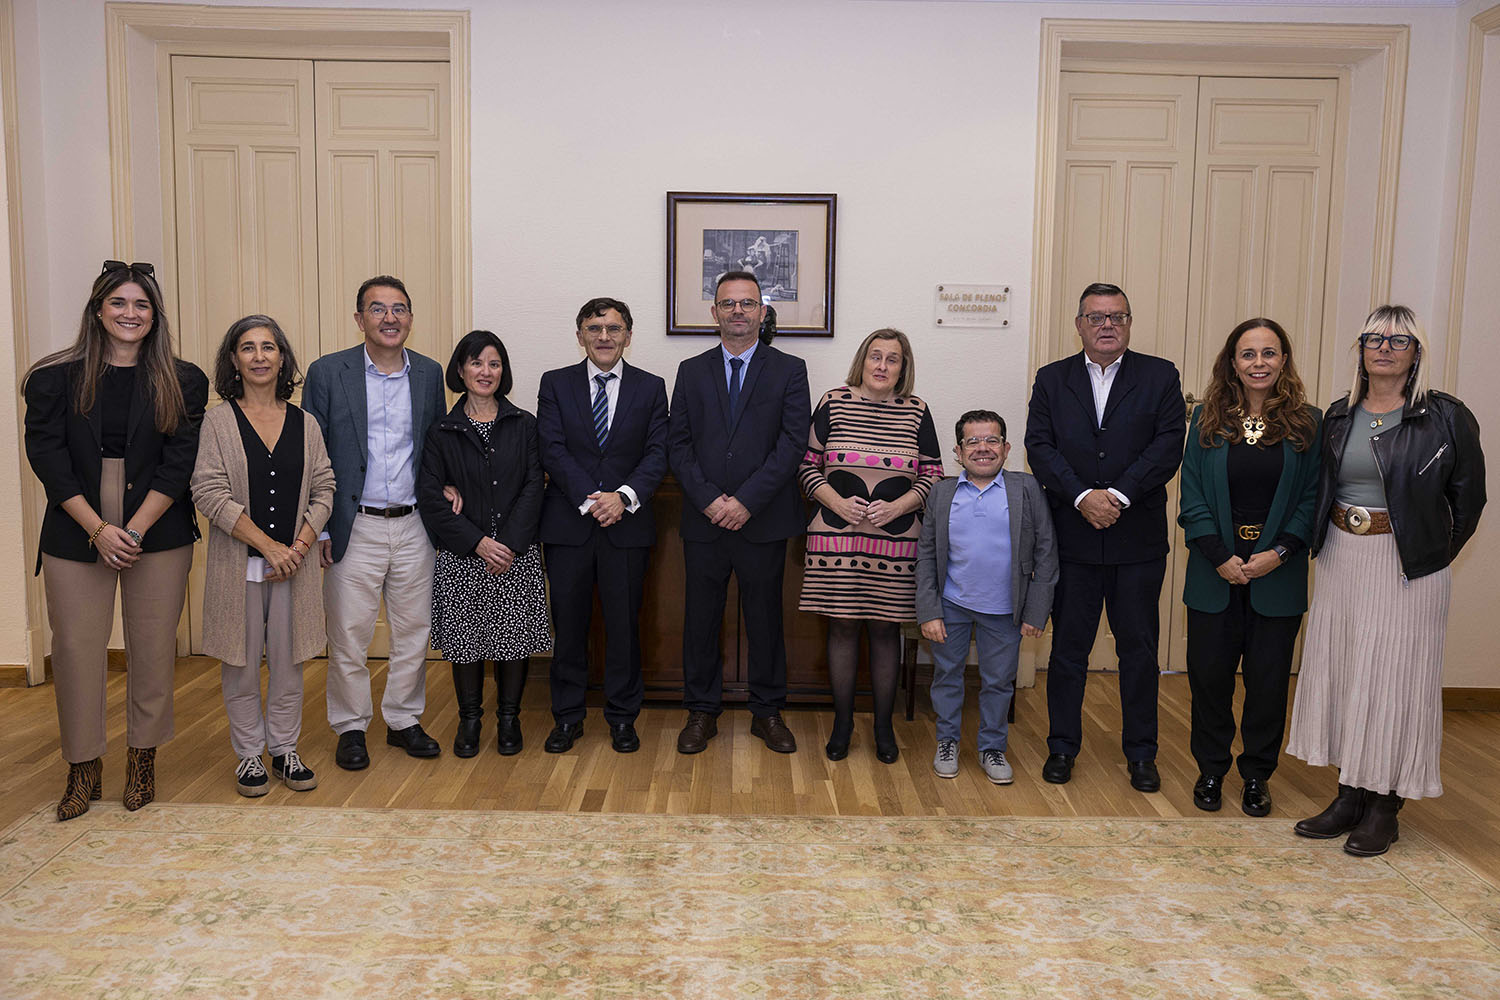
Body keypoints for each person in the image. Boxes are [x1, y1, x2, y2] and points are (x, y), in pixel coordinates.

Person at [1287, 305, 1485, 857]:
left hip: (1406, 567)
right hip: (1341, 559)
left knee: (1394, 680)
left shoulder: (1444, 417)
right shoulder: (1339, 416)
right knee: (1350, 670)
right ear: (1361, 350)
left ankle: (1384, 806)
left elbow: (1469, 501)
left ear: (1416, 352)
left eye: (1399, 340)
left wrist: (1427, 556)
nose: (1384, 348)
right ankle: (1349, 795)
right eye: (1373, 338)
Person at [22, 260, 208, 819]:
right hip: (77, 520)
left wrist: (133, 529)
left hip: (157, 520)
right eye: (120, 303)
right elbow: (47, 459)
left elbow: (180, 464)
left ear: (155, 317)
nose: (131, 314)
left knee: (152, 649)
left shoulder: (184, 379)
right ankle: (83, 770)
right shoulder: (52, 378)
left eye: (142, 305)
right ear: (98, 310)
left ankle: (141, 762)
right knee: (77, 650)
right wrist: (98, 529)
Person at [1023, 281, 1185, 791]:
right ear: (1079, 325)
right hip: (1072, 538)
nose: (1107, 324)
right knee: (1068, 650)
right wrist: (1081, 498)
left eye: (1117, 316)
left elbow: (1166, 446)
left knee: (1138, 649)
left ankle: (1141, 753)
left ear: (1130, 323)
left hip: (1135, 540)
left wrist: (1116, 495)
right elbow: (1039, 446)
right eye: (1096, 317)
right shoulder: (1052, 380)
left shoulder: (1160, 376)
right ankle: (1062, 748)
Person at [302, 275, 447, 769]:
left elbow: (436, 446)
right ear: (359, 318)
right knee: (349, 632)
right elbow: (311, 455)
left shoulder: (429, 373)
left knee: (413, 630)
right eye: (378, 309)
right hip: (352, 522)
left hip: (414, 525)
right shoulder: (327, 372)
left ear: (410, 317)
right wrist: (318, 527)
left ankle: (404, 720)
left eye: (399, 308)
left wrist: (447, 486)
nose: (390, 318)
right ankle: (350, 727)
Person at [1177, 319, 1321, 817]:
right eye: (1247, 353)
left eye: (1269, 352)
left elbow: (1311, 499)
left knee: (1268, 684)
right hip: (1214, 572)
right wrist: (1220, 557)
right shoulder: (1204, 421)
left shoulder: (1309, 422)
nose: (1258, 362)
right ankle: (1211, 770)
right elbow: (1190, 495)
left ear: (1284, 360)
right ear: (1231, 362)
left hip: (1276, 573)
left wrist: (1278, 553)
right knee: (1209, 679)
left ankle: (1257, 775)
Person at [191, 315, 335, 796]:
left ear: (282, 358)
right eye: (248, 348)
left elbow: (325, 488)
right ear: (234, 359)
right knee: (241, 662)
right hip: (241, 568)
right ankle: (250, 755)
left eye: (268, 347)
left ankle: (285, 750)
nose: (259, 356)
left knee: (290, 664)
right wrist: (269, 547)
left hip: (293, 568)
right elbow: (208, 492)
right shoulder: (217, 420)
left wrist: (296, 549)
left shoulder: (306, 423)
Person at [669, 270, 811, 754]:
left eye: (747, 304)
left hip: (763, 520)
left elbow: (791, 444)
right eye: (728, 304)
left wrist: (746, 501)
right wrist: (711, 500)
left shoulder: (790, 370)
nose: (738, 312)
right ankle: (701, 712)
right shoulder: (690, 371)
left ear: (762, 313)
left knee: (766, 620)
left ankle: (767, 712)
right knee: (700, 621)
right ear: (714, 313)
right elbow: (679, 444)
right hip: (703, 519)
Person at [797, 328, 943, 763]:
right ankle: (843, 723)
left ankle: (883, 727)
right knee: (842, 626)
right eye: (875, 357)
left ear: (903, 367)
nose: (882, 366)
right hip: (835, 536)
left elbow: (933, 474)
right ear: (862, 361)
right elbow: (806, 466)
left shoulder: (917, 411)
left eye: (892, 359)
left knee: (885, 630)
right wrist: (837, 502)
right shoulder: (833, 402)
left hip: (895, 541)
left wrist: (899, 506)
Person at [536, 298, 669, 755]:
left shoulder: (652, 388)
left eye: (614, 328)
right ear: (580, 336)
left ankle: (622, 717)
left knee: (623, 626)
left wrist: (623, 498)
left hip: (627, 525)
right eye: (594, 328)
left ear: (629, 335)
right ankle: (567, 717)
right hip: (570, 526)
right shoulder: (555, 384)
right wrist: (591, 500)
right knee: (569, 626)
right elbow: (551, 448)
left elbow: (657, 453)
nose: (605, 336)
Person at [418, 331, 552, 756]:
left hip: (516, 553)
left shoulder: (523, 423)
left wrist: (507, 544)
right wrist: (478, 543)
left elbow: (535, 486)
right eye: (476, 363)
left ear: (503, 372)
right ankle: (469, 721)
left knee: (514, 639)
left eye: (494, 364)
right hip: (463, 553)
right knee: (465, 641)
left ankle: (509, 720)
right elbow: (430, 495)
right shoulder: (442, 430)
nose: (485, 372)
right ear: (460, 370)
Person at [917, 410, 1057, 783]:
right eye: (973, 442)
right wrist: (929, 610)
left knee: (998, 681)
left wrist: (1036, 611)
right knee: (947, 676)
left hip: (1005, 609)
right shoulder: (942, 492)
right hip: (952, 604)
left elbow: (1046, 551)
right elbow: (927, 555)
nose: (983, 448)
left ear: (1006, 448)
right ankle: (946, 741)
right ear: (958, 452)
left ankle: (991, 747)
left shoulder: (1026, 489)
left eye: (991, 440)